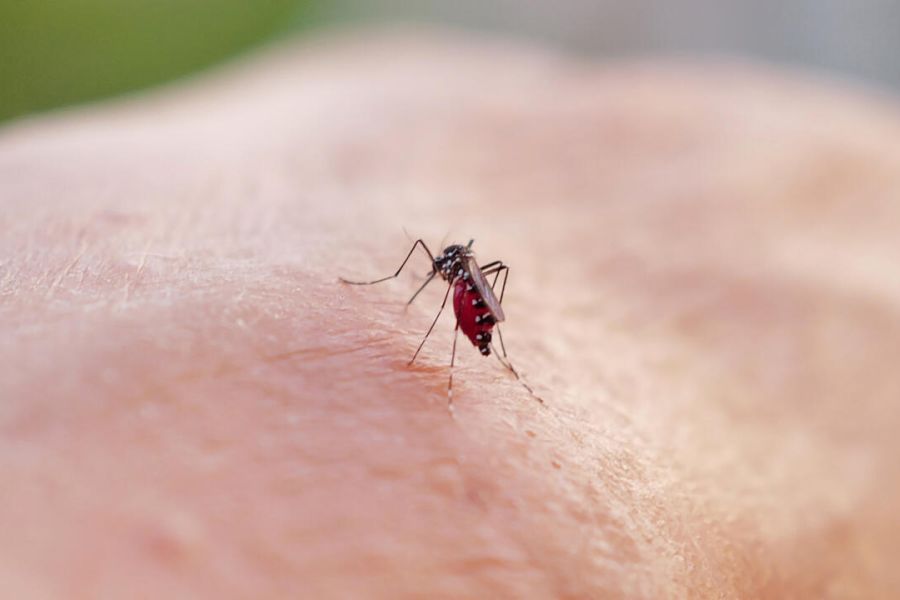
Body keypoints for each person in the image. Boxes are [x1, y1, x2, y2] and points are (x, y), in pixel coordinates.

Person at [1, 32, 897, 598]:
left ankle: (481, 355)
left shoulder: (459, 279)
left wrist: (460, 321)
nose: (444, 270)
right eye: (448, 270)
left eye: (446, 268)